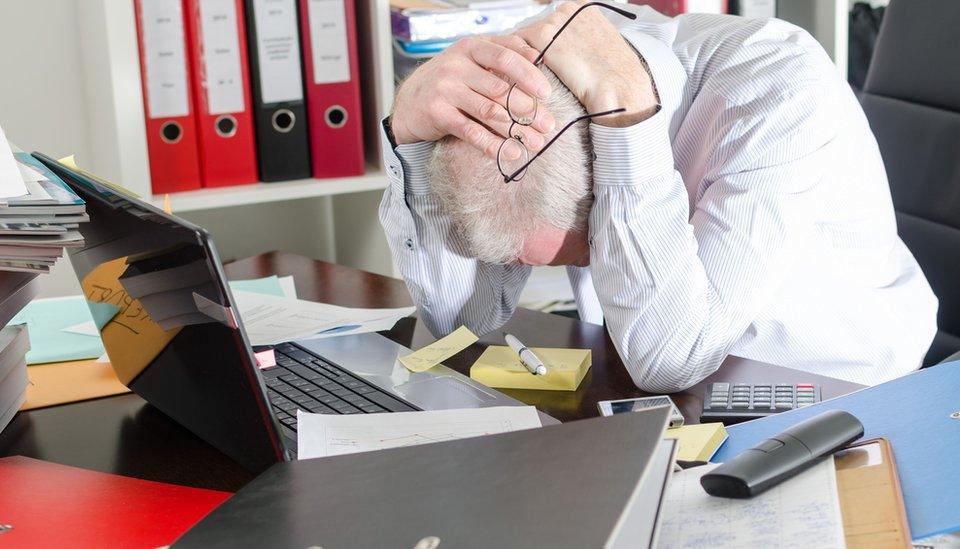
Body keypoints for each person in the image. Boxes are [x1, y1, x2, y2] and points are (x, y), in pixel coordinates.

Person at [379, 2, 938, 391]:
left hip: (844, 393)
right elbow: (462, 324)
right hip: (677, 381)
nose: (596, 268)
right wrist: (411, 138)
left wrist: (629, 127)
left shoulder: (780, 86)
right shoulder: (536, 71)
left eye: (587, 253)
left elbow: (670, 357)